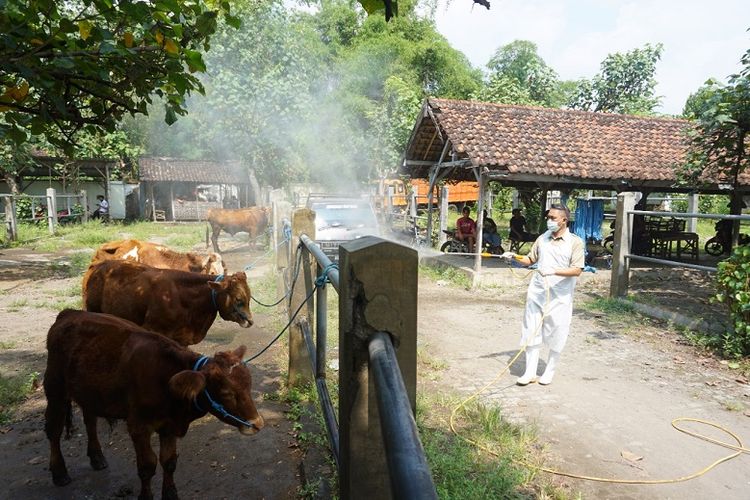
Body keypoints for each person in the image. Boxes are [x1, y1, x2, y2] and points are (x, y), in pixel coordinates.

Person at [502, 204, 585, 386]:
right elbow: (530, 259)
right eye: (548, 218)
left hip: (560, 296)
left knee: (557, 331)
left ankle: (549, 371)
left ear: (564, 220)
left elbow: (577, 270)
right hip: (537, 292)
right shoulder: (542, 238)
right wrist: (514, 257)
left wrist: (554, 271)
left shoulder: (575, 242)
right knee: (531, 329)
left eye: (553, 218)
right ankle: (530, 372)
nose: (549, 221)